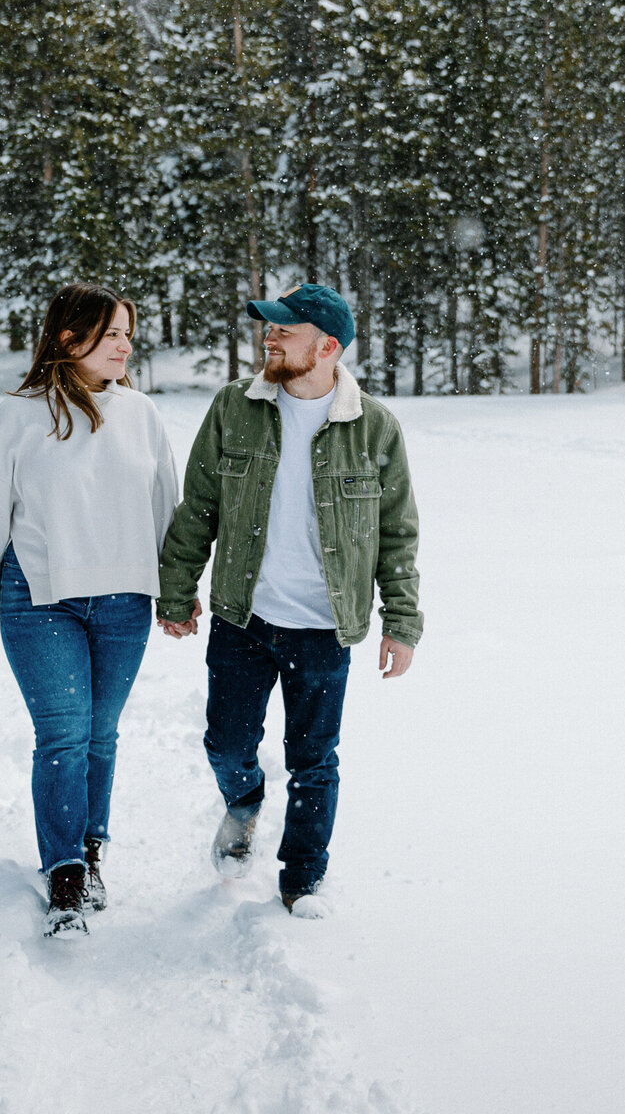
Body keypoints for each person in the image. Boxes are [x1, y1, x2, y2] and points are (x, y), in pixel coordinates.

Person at [156, 282, 421, 914]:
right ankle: (243, 803)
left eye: (284, 330)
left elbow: (397, 530)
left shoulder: (375, 426)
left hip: (326, 627)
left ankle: (302, 877)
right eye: (268, 328)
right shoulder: (234, 407)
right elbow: (198, 508)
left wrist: (402, 620)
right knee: (225, 744)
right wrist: (176, 591)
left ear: (327, 346)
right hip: (243, 618)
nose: (269, 338)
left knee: (313, 760)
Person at [0, 283, 178, 937]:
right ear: (67, 338)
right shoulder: (19, 416)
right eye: (111, 333)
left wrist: (175, 589)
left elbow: (167, 508)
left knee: (99, 735)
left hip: (125, 600)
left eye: (127, 334)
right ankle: (64, 873)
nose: (124, 345)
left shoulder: (141, 414)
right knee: (62, 735)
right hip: (39, 597)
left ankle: (91, 851)